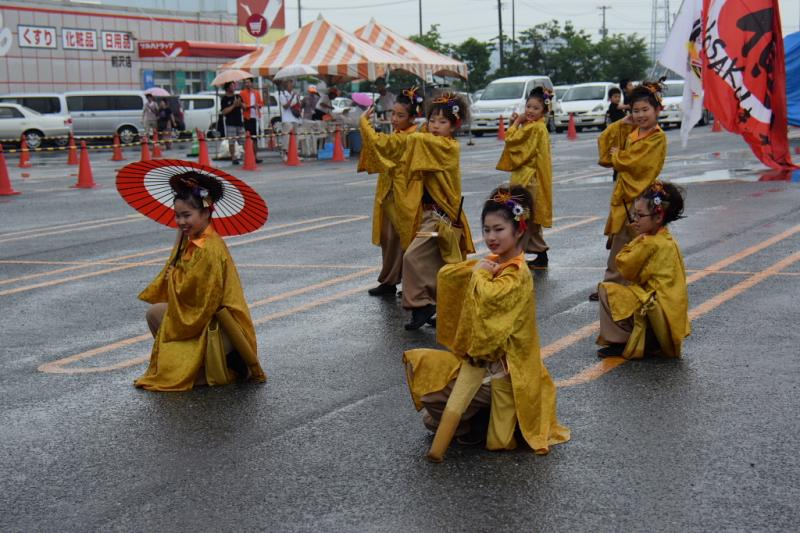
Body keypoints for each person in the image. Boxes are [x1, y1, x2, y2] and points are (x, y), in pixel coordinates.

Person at [403, 185, 570, 462]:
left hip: (503, 373)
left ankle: (478, 420)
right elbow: (450, 275)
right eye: (487, 229)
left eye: (499, 229)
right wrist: (475, 271)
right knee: (420, 372)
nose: (491, 237)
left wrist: (479, 276)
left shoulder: (516, 274)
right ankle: (477, 419)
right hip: (484, 363)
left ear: (519, 230)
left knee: (434, 398)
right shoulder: (495, 263)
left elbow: (491, 315)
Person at [135, 171, 267, 391]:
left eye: (186, 215)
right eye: (177, 216)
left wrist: (175, 279)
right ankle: (195, 367)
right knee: (154, 314)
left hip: (218, 325)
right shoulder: (192, 240)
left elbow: (206, 301)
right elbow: (172, 280)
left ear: (205, 213)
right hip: (196, 317)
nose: (180, 221)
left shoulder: (211, 248)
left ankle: (210, 368)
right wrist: (178, 246)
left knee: (168, 323)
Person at [395, 92, 475, 330]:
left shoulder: (447, 147)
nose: (435, 126)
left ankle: (422, 304)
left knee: (413, 256)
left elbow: (416, 142)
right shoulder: (430, 141)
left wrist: (409, 133)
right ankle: (436, 307)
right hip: (430, 216)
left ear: (454, 125)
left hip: (442, 219)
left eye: (442, 122)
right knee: (443, 266)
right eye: (432, 120)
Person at [596, 180, 690, 359]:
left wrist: (635, 238)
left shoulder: (648, 242)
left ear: (658, 217)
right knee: (630, 290)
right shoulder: (666, 238)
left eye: (639, 215)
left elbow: (624, 265)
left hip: (656, 313)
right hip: (669, 314)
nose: (635, 220)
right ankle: (650, 338)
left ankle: (623, 341)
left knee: (606, 290)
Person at [591, 81, 667, 301]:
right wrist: (621, 124)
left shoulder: (657, 137)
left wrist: (619, 157)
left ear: (657, 110)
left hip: (641, 198)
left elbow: (639, 163)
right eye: (636, 111)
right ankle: (613, 284)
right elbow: (606, 145)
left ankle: (636, 284)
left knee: (641, 244)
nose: (641, 115)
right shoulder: (632, 131)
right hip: (625, 197)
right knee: (620, 244)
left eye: (645, 110)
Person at [358, 87, 424, 297]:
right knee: (389, 238)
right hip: (389, 191)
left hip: (405, 194)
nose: (394, 118)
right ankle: (389, 279)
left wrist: (363, 123)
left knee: (407, 238)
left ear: (413, 117)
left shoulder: (410, 137)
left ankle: (412, 285)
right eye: (393, 114)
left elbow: (379, 144)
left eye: (400, 115)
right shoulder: (401, 133)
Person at [496, 86, 554, 268]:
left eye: (536, 108)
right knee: (526, 218)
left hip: (529, 178)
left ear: (544, 111)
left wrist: (514, 124)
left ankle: (528, 254)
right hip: (528, 176)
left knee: (523, 217)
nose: (530, 111)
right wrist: (520, 123)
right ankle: (535, 254)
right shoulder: (536, 126)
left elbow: (512, 141)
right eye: (528, 106)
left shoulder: (535, 128)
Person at [239, 78, 264, 163]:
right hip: (247, 117)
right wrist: (251, 106)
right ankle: (249, 156)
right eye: (246, 82)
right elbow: (243, 106)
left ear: (252, 83)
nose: (247, 84)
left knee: (255, 138)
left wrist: (258, 105)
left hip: (256, 117)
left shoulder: (256, 93)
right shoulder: (242, 93)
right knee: (248, 138)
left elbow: (261, 103)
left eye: (248, 82)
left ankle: (255, 156)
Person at [219, 81, 244, 165]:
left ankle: (247, 155)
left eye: (234, 85)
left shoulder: (237, 96)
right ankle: (233, 157)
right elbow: (224, 112)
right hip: (230, 123)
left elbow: (244, 107)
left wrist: (240, 104)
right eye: (232, 85)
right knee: (231, 141)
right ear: (227, 87)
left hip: (239, 122)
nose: (234, 87)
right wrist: (233, 105)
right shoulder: (224, 99)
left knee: (243, 140)